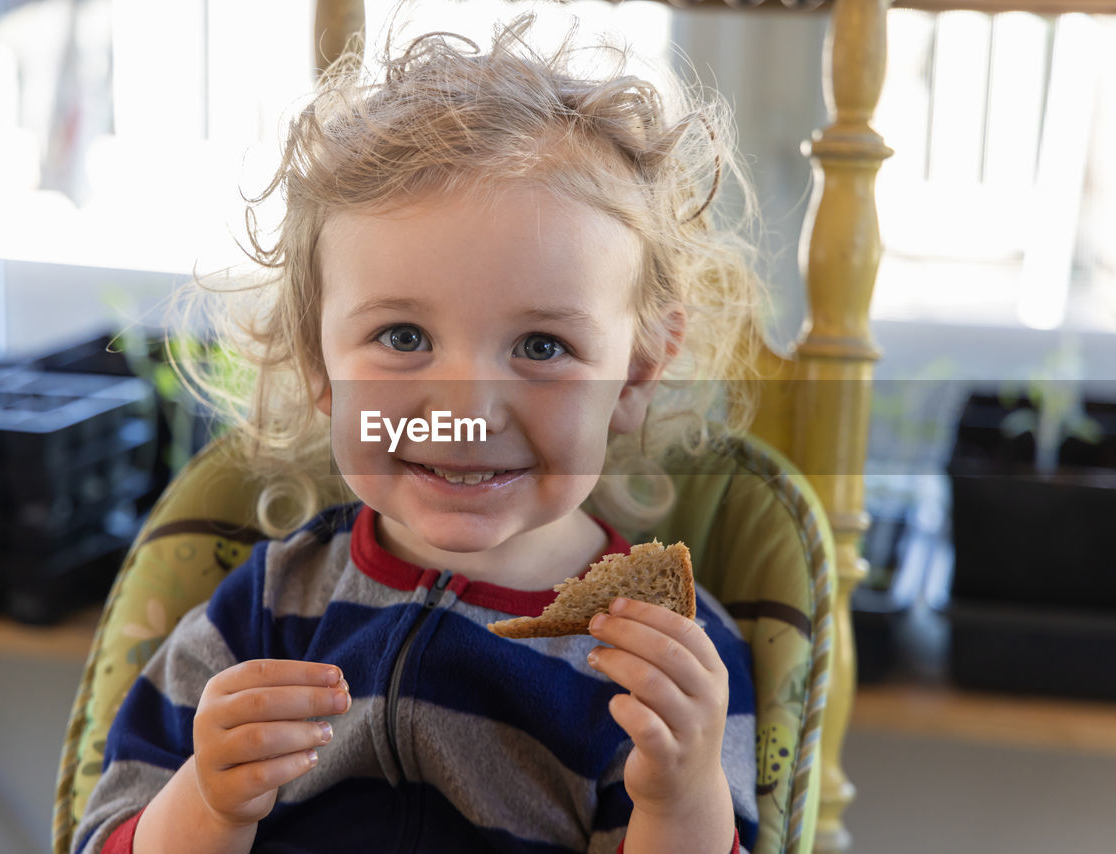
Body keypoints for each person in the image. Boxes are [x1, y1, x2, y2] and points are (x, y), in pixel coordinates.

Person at [74, 7, 768, 854]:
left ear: (635, 375)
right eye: (402, 338)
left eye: (542, 345)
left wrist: (680, 796)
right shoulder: (262, 612)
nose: (469, 413)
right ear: (319, 367)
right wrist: (207, 806)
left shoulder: (665, 661)